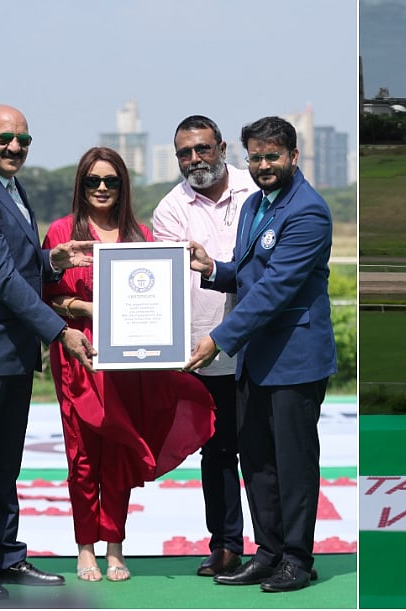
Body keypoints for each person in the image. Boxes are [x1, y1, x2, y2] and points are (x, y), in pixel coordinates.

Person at [0, 104, 96, 600]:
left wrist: (52, 259)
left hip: (12, 351)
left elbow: (19, 262)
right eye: (6, 139)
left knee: (4, 462)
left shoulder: (10, 188)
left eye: (24, 141)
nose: (15, 148)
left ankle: (6, 556)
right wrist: (59, 332)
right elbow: (2, 278)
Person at [43, 147, 216, 582]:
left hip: (132, 363)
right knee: (82, 457)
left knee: (120, 454)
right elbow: (46, 300)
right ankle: (85, 547)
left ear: (123, 187)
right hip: (80, 360)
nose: (102, 189)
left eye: (111, 181)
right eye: (93, 181)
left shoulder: (140, 236)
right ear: (80, 186)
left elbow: (159, 300)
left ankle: (115, 546)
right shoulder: (63, 234)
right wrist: (89, 308)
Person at [184, 116, 337, 593]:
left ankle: (297, 558)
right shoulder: (255, 205)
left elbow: (274, 291)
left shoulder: (308, 211)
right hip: (257, 358)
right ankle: (268, 552)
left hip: (295, 359)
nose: (263, 165)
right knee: (258, 462)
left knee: (293, 464)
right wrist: (215, 269)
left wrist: (218, 339)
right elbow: (251, 275)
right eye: (255, 157)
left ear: (293, 156)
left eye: (272, 156)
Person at [151, 115, 255, 576]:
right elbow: (163, 288)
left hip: (258, 348)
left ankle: (277, 547)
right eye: (184, 153)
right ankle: (226, 545)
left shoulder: (256, 190)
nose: (194, 160)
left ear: (223, 147)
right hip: (201, 352)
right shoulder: (170, 209)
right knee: (216, 455)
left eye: (203, 149)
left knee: (263, 452)